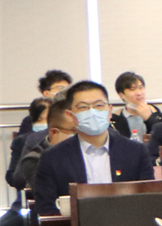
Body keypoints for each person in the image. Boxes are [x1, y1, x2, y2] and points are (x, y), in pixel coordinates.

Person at [32, 81, 153, 214]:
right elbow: (46, 208)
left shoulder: (136, 152)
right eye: (83, 107)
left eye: (99, 105)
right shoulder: (53, 157)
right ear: (70, 115)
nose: (92, 112)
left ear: (110, 111)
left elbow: (149, 201)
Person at [110, 71, 162, 142]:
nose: (139, 93)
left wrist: (150, 119)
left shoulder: (161, 117)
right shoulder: (114, 120)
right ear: (121, 95)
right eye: (132, 89)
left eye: (141, 88)